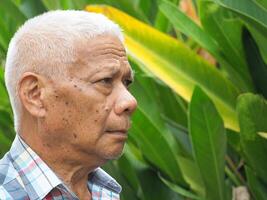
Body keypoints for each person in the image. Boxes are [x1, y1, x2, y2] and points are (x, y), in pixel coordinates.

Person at [0, 10, 137, 200]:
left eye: (126, 82)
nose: (130, 101)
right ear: (35, 95)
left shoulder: (106, 194)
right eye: (105, 81)